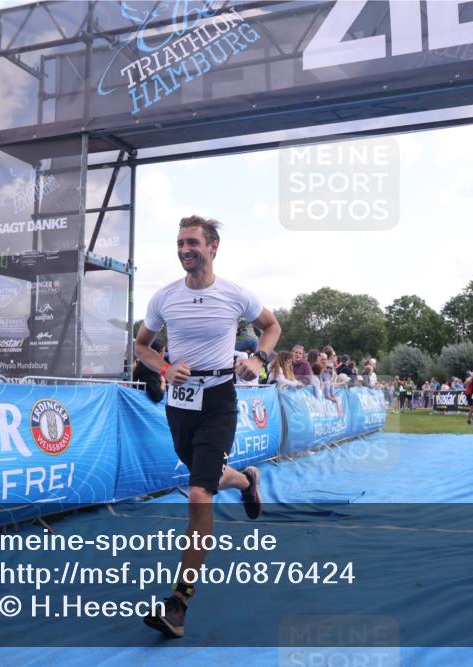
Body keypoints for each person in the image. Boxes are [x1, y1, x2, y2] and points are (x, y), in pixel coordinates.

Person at [134, 215, 281, 640]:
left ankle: (178, 602)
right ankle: (247, 480)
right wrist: (164, 365)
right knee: (210, 477)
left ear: (213, 246)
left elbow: (271, 328)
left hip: (219, 398)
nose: (184, 250)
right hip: (180, 403)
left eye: (193, 243)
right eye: (180, 243)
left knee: (199, 492)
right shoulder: (164, 298)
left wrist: (259, 360)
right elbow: (142, 346)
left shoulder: (236, 294)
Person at [132, 338, 167, 403]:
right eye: (163, 351)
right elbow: (158, 396)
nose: (164, 354)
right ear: (158, 353)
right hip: (144, 406)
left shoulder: (143, 363)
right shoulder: (149, 368)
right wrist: (163, 382)